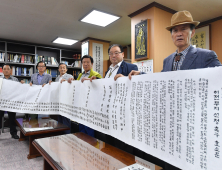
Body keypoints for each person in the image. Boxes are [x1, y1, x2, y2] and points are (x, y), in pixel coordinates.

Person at [128, 10, 222, 170]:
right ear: (171, 35)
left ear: (192, 32)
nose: (179, 33)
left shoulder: (206, 56)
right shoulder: (168, 60)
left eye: (184, 29)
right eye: (175, 30)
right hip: (171, 125)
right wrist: (141, 75)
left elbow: (218, 81)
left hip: (194, 126)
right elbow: (162, 82)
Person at [68, 55, 102, 137]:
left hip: (90, 108)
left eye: (88, 62)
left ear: (92, 64)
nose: (85, 64)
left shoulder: (96, 74)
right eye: (83, 62)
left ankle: (91, 149)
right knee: (81, 130)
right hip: (81, 106)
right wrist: (72, 81)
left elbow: (100, 86)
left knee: (89, 131)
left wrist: (91, 81)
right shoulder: (80, 75)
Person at [0, 64, 24, 139]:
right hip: (1, 102)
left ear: (10, 70)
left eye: (8, 69)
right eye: (4, 69)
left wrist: (22, 85)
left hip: (11, 102)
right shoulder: (0, 79)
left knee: (12, 118)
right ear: (2, 70)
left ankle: (13, 133)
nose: (6, 70)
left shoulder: (15, 79)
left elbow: (18, 90)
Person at [55, 63, 73, 134]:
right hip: (58, 101)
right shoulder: (57, 78)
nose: (62, 69)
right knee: (60, 120)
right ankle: (61, 135)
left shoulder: (69, 76)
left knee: (66, 120)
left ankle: (67, 135)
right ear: (58, 69)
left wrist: (66, 82)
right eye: (61, 67)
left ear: (66, 69)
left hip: (66, 101)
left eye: (64, 67)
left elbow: (72, 83)